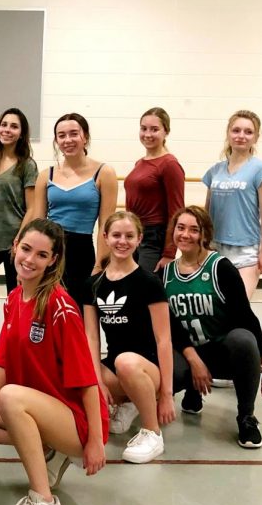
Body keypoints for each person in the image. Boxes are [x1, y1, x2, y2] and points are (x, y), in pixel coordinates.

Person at [0, 219, 108, 505]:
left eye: (41, 254)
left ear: (53, 260)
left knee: (9, 397)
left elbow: (88, 380)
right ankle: (48, 453)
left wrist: (94, 441)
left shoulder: (60, 305)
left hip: (77, 421)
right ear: (15, 247)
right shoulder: (12, 300)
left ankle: (44, 501)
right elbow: (2, 365)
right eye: (26, 249)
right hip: (42, 408)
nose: (29, 260)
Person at [163, 206, 262, 449]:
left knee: (243, 340)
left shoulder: (220, 267)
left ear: (205, 234)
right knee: (166, 367)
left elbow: (247, 318)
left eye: (194, 230)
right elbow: (170, 329)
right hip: (188, 354)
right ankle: (192, 391)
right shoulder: (165, 274)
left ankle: (246, 417)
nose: (185, 235)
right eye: (180, 228)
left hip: (221, 352)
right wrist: (193, 360)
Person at [83, 211, 176, 464]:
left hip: (148, 368)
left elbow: (164, 340)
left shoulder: (149, 282)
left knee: (126, 361)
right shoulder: (93, 284)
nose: (122, 241)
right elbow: (92, 338)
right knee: (79, 372)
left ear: (139, 240)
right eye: (116, 235)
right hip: (116, 367)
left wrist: (166, 394)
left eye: (129, 236)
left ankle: (152, 432)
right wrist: (97, 383)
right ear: (105, 237)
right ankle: (131, 401)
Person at [29, 113, 118, 309]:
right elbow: (37, 223)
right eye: (61, 135)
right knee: (47, 310)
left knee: (77, 311)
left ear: (85, 137)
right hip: (51, 249)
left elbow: (106, 224)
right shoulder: (46, 175)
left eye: (73, 134)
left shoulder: (104, 173)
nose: (67, 140)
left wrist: (99, 265)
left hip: (81, 251)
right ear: (56, 141)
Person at [203, 110, 262, 299]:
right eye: (236, 130)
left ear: (256, 137)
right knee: (214, 307)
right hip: (215, 247)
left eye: (248, 132)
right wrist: (203, 243)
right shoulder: (215, 171)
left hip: (246, 250)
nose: (241, 136)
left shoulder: (261, 169)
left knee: (238, 306)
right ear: (228, 133)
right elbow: (206, 211)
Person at [0, 107, 38, 296]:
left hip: (13, 244)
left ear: (21, 134)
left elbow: (33, 208)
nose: (7, 130)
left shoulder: (27, 165)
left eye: (14, 126)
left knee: (16, 295)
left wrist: (19, 240)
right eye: (4, 125)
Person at [122, 107, 185, 274]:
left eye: (154, 129)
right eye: (144, 128)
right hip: (134, 233)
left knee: (145, 289)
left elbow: (177, 211)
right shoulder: (140, 163)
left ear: (166, 132)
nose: (147, 134)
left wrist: (169, 253)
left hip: (154, 237)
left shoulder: (169, 164)